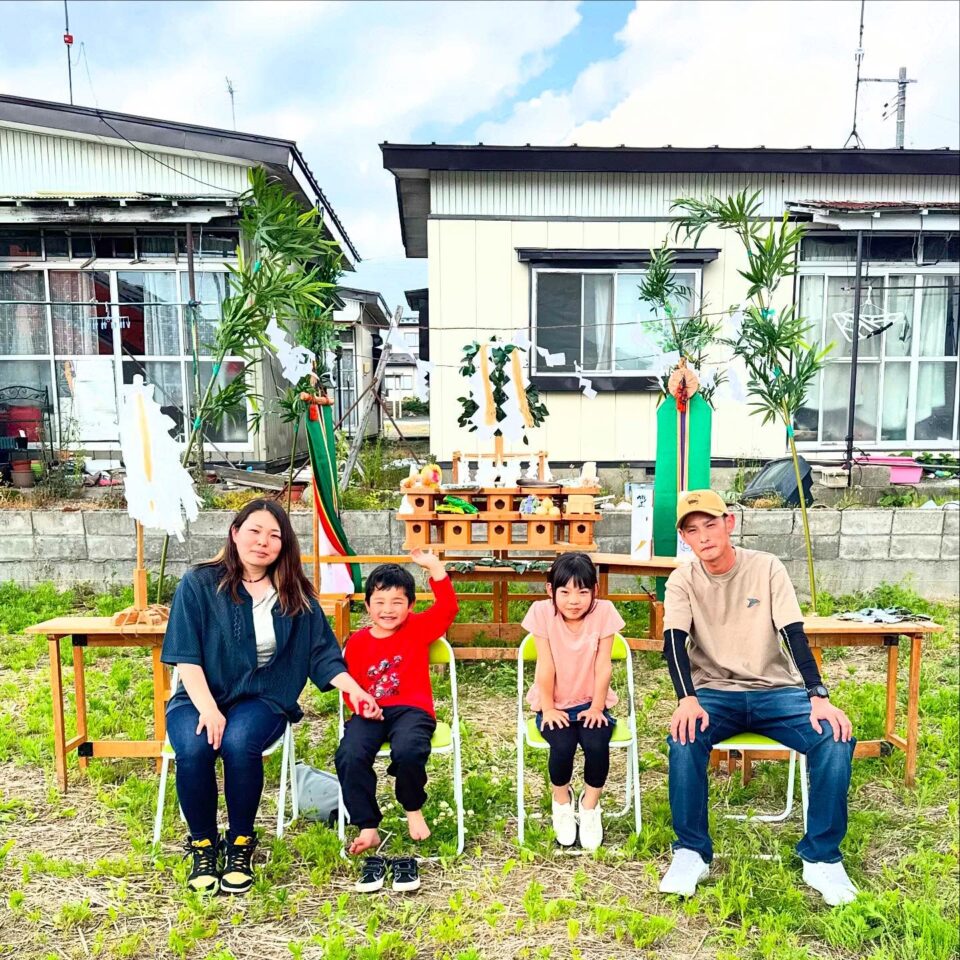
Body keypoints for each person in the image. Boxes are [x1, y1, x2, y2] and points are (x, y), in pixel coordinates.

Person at [161, 499, 380, 897]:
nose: (263, 542)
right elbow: (185, 655)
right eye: (254, 531)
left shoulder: (295, 593)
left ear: (284, 545)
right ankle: (204, 846)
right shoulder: (198, 584)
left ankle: (241, 843)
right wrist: (208, 709)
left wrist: (357, 691)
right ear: (235, 533)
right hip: (199, 695)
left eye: (274, 535)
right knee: (193, 747)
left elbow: (323, 655)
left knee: (239, 741)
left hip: (262, 697)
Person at [658, 489, 858, 906]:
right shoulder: (683, 579)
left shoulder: (765, 567)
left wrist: (817, 694)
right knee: (683, 738)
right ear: (685, 539)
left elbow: (792, 631)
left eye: (710, 524)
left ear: (729, 523)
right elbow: (673, 640)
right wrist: (686, 699)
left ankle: (821, 856)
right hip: (714, 693)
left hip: (776, 691)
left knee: (834, 736)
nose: (704, 536)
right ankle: (691, 851)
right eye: (692, 530)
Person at [335, 548, 458, 893]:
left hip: (411, 710)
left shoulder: (418, 629)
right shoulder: (357, 642)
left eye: (397, 602)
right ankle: (367, 825)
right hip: (370, 711)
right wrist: (362, 705)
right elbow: (350, 686)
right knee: (350, 755)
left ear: (410, 605)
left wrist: (435, 567)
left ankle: (412, 807)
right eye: (380, 602)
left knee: (408, 749)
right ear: (367, 604)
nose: (388, 610)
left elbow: (447, 609)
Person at [522, 552, 625, 851]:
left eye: (583, 591)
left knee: (596, 745)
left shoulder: (604, 612)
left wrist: (596, 706)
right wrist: (549, 707)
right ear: (550, 591)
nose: (574, 600)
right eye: (564, 592)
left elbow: (603, 665)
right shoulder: (542, 613)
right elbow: (545, 664)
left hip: (591, 701)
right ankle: (562, 800)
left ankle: (590, 806)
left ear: (595, 590)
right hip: (553, 701)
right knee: (563, 745)